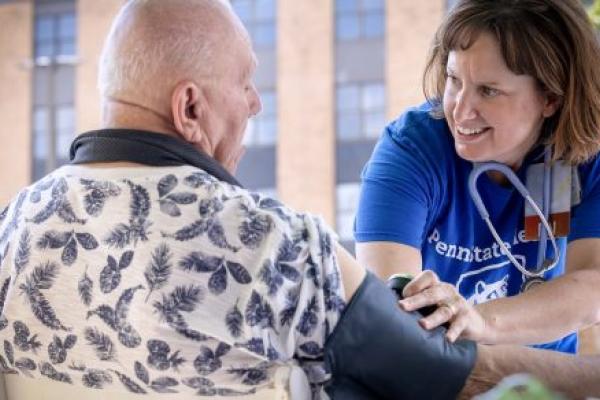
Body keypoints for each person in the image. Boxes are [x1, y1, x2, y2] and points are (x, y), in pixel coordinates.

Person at [0, 0, 598, 399]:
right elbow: (443, 368)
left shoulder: (11, 230)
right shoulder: (275, 245)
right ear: (189, 108)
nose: (257, 103)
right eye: (245, 84)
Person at [355, 0, 600, 354]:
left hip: (541, 380)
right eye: (455, 80)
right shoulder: (410, 151)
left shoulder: (586, 151)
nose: (459, 108)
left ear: (550, 97)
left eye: (488, 91)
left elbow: (592, 288)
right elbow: (394, 310)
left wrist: (480, 320)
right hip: (442, 374)